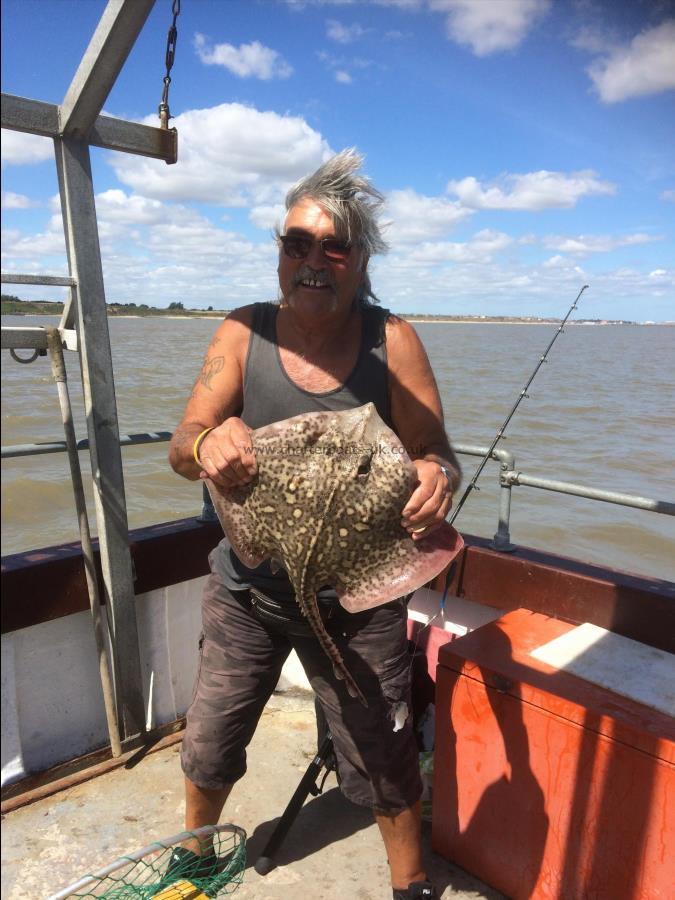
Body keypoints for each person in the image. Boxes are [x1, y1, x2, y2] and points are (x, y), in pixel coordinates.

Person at [168, 149, 461, 900]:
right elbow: (182, 440)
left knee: (384, 750)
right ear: (279, 250)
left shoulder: (391, 339)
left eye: (334, 246)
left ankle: (410, 884)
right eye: (296, 242)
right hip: (249, 586)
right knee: (210, 737)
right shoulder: (242, 332)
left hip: (354, 597)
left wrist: (436, 477)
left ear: (361, 260)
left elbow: (434, 452)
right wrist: (209, 442)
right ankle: (193, 860)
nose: (312, 260)